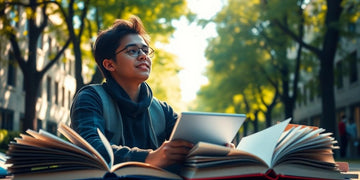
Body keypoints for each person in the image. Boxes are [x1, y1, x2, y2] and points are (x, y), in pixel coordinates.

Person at [70, 15, 194, 170]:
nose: (143, 56)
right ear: (109, 64)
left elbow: (190, 143)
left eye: (145, 50)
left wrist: (214, 149)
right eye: (132, 51)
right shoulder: (90, 98)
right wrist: (148, 158)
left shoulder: (163, 110)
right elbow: (91, 148)